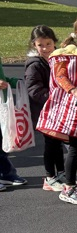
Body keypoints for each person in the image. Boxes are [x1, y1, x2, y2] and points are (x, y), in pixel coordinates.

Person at [37, 13, 77, 205]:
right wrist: (74, 90)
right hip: (75, 109)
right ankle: (69, 188)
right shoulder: (66, 55)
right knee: (74, 148)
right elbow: (60, 76)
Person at [24, 25, 65, 191]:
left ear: (54, 42)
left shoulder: (56, 60)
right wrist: (55, 98)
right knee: (50, 143)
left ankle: (61, 172)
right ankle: (49, 177)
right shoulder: (35, 65)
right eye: (41, 45)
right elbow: (34, 90)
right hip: (45, 110)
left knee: (58, 142)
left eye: (48, 44)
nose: (45, 48)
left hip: (57, 108)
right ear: (34, 45)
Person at [0, 57, 27, 190]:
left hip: (1, 105)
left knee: (3, 142)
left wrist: (15, 82)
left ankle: (6, 174)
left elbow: (2, 78)